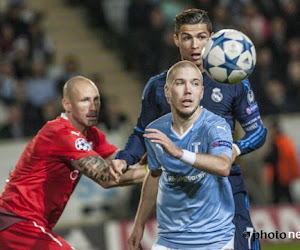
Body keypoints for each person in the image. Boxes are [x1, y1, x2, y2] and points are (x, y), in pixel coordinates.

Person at [111, 8, 267, 250]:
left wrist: (235, 148)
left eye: (201, 37)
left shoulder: (234, 80)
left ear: (212, 38)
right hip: (180, 188)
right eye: (187, 37)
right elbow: (142, 133)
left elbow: (258, 132)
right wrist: (123, 159)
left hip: (223, 183)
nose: (195, 45)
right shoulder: (158, 86)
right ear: (176, 39)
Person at [0, 76, 146, 250]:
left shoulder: (91, 135)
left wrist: (150, 158)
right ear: (67, 105)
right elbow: (107, 178)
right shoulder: (61, 132)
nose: (92, 107)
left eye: (96, 100)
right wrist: (157, 172)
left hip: (28, 225)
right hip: (18, 222)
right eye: (85, 101)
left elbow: (120, 161)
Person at [127, 61, 235, 249]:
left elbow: (224, 166)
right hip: (169, 240)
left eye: (194, 84)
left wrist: (179, 153)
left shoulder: (215, 126)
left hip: (215, 240)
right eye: (180, 83)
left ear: (201, 93)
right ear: (167, 92)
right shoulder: (154, 131)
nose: (188, 90)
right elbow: (154, 176)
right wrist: (138, 224)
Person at [264, 119, 300, 203]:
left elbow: (276, 157)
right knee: (285, 196)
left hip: (281, 174)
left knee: (281, 196)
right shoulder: (283, 140)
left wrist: (266, 159)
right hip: (282, 174)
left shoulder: (279, 141)